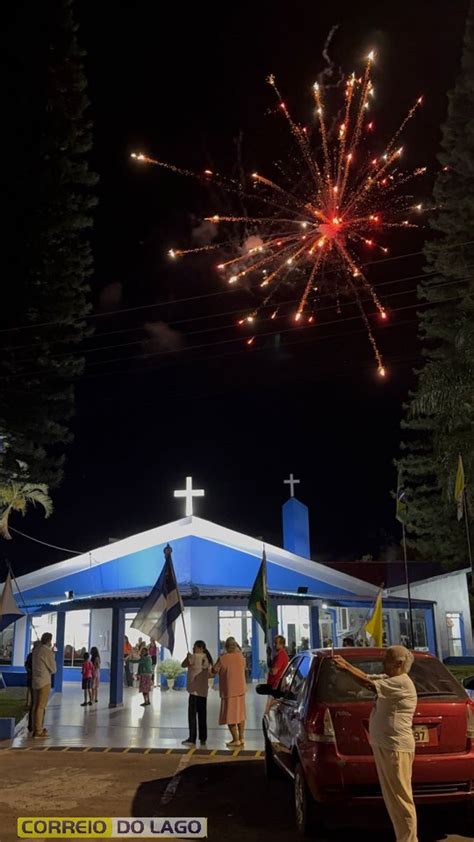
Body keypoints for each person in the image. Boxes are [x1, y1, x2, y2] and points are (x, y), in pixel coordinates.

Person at [334, 645, 418, 842]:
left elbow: (368, 684)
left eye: (387, 658)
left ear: (399, 663)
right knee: (392, 799)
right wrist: (346, 664)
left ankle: (409, 839)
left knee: (401, 799)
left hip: (396, 748)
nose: (382, 661)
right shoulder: (391, 680)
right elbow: (367, 677)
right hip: (386, 745)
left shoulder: (401, 683)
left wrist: (346, 668)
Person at [213, 637, 246, 747]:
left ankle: (235, 739)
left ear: (226, 647)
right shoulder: (241, 657)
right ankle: (241, 738)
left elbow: (214, 670)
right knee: (241, 715)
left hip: (229, 691)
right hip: (241, 690)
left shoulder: (223, 658)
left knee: (231, 716)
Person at [181, 640, 213, 747]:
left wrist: (188, 657)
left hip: (194, 692)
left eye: (195, 647)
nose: (193, 648)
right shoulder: (206, 658)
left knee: (192, 716)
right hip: (203, 691)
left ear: (200, 648)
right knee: (202, 715)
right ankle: (203, 738)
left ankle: (192, 738)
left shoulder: (194, 657)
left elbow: (183, 665)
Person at [31, 632, 57, 738]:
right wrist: (52, 655)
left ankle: (35, 728)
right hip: (45, 681)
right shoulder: (47, 652)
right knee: (41, 707)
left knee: (36, 706)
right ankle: (39, 731)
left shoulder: (36, 650)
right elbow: (53, 669)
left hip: (35, 680)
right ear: (49, 641)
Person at [265, 635, 289, 714]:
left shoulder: (281, 655)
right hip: (273, 684)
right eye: (274, 643)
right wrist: (268, 655)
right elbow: (271, 665)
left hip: (276, 684)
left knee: (268, 708)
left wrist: (270, 670)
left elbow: (274, 671)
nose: (274, 645)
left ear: (282, 644)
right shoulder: (278, 654)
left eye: (276, 643)